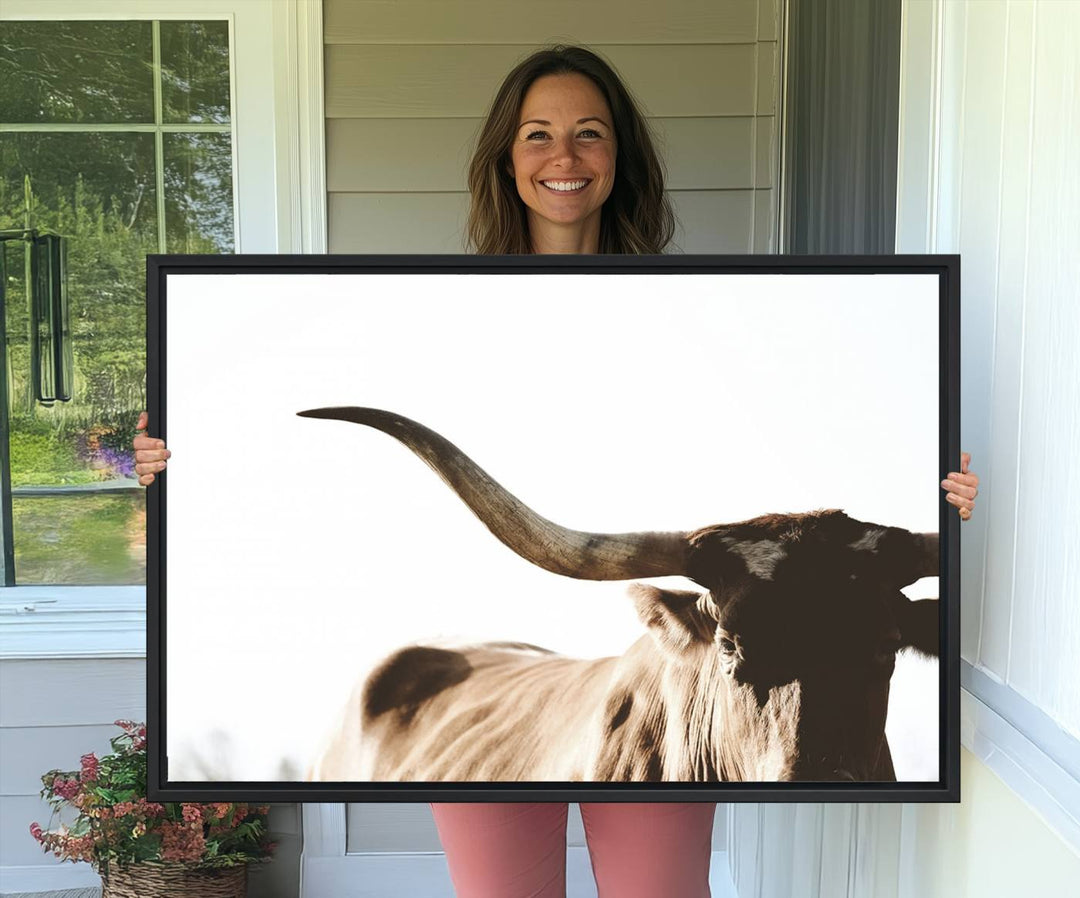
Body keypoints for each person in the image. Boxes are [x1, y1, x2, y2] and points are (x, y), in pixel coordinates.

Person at [133, 45, 980, 898]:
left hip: (665, 687)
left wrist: (951, 510)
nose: (564, 158)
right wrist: (176, 460)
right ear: (507, 158)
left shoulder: (708, 300)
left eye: (589, 134)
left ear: (620, 158)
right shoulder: (433, 300)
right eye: (538, 135)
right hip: (485, 707)